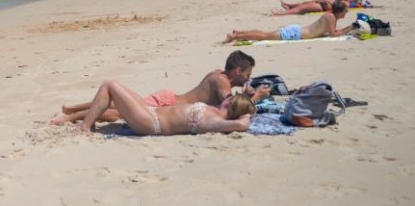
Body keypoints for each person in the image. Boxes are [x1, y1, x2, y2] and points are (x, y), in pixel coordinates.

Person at [52, 51, 268, 125]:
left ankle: (72, 109)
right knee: (117, 111)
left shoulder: (219, 74)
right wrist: (255, 97)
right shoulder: (222, 82)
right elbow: (231, 107)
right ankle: (72, 116)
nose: (248, 78)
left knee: (118, 106)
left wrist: (246, 91)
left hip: (167, 100)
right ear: (237, 71)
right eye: (247, 74)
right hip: (167, 104)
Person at [77, 83, 253, 136]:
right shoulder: (214, 113)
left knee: (109, 86)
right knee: (114, 93)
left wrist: (246, 114)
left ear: (230, 104)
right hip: (151, 112)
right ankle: (86, 121)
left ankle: (85, 127)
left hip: (151, 122)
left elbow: (241, 125)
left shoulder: (215, 121)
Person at [224, 0, 354, 43]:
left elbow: (333, 31)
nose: (346, 13)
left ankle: (239, 32)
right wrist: (351, 27)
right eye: (345, 11)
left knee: (264, 34)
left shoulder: (331, 16)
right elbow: (333, 34)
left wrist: (349, 27)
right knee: (263, 36)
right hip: (295, 34)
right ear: (340, 11)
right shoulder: (331, 17)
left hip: (297, 31)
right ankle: (234, 36)